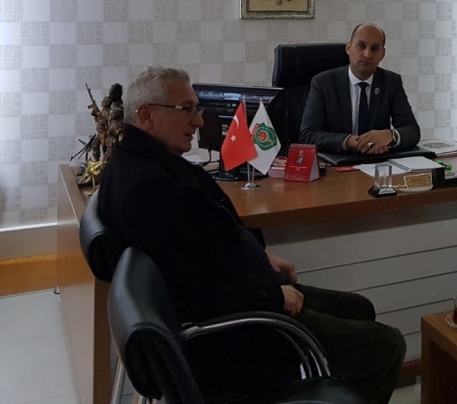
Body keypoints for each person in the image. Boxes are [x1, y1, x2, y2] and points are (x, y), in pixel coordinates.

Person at [97, 66, 405, 404]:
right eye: (187, 109)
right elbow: (192, 293)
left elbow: (205, 238)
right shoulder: (147, 188)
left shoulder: (148, 160)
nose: (199, 121)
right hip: (237, 334)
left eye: (197, 108)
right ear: (146, 115)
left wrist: (261, 256)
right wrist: (272, 298)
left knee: (359, 308)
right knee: (388, 346)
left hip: (245, 292)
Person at [299, 23, 420, 154]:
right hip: (338, 159)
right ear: (349, 48)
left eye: (375, 49)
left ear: (382, 54)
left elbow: (412, 130)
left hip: (378, 159)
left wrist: (390, 135)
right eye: (361, 46)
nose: (367, 54)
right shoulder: (323, 82)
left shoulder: (391, 82)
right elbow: (308, 135)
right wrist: (349, 141)